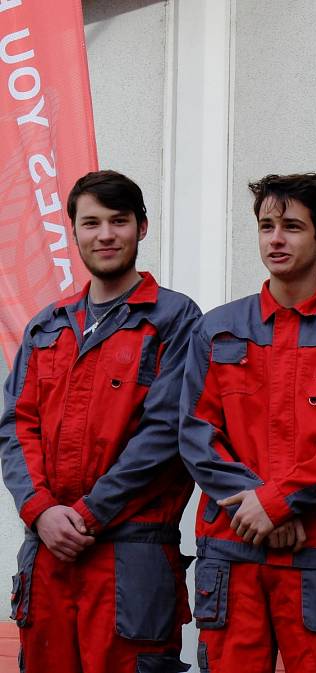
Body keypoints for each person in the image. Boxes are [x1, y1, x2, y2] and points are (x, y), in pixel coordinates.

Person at [179, 174, 316, 673]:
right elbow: (196, 434)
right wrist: (261, 507)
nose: (275, 238)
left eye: (292, 226)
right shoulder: (217, 327)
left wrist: (278, 502)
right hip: (233, 547)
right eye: (266, 225)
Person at [0, 170, 200, 673]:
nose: (105, 234)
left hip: (131, 554)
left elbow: (165, 436)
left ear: (142, 227)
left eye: (119, 220)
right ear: (74, 232)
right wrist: (41, 509)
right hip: (47, 551)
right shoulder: (47, 326)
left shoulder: (174, 320)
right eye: (91, 223)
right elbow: (15, 426)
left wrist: (87, 514)